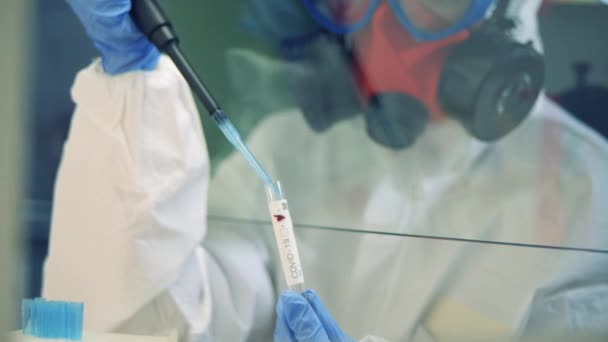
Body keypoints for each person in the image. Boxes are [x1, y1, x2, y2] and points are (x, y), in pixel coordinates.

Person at [43, 0, 608, 341]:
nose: (383, 22)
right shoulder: (288, 150)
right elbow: (171, 319)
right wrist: (134, 87)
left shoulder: (586, 191)